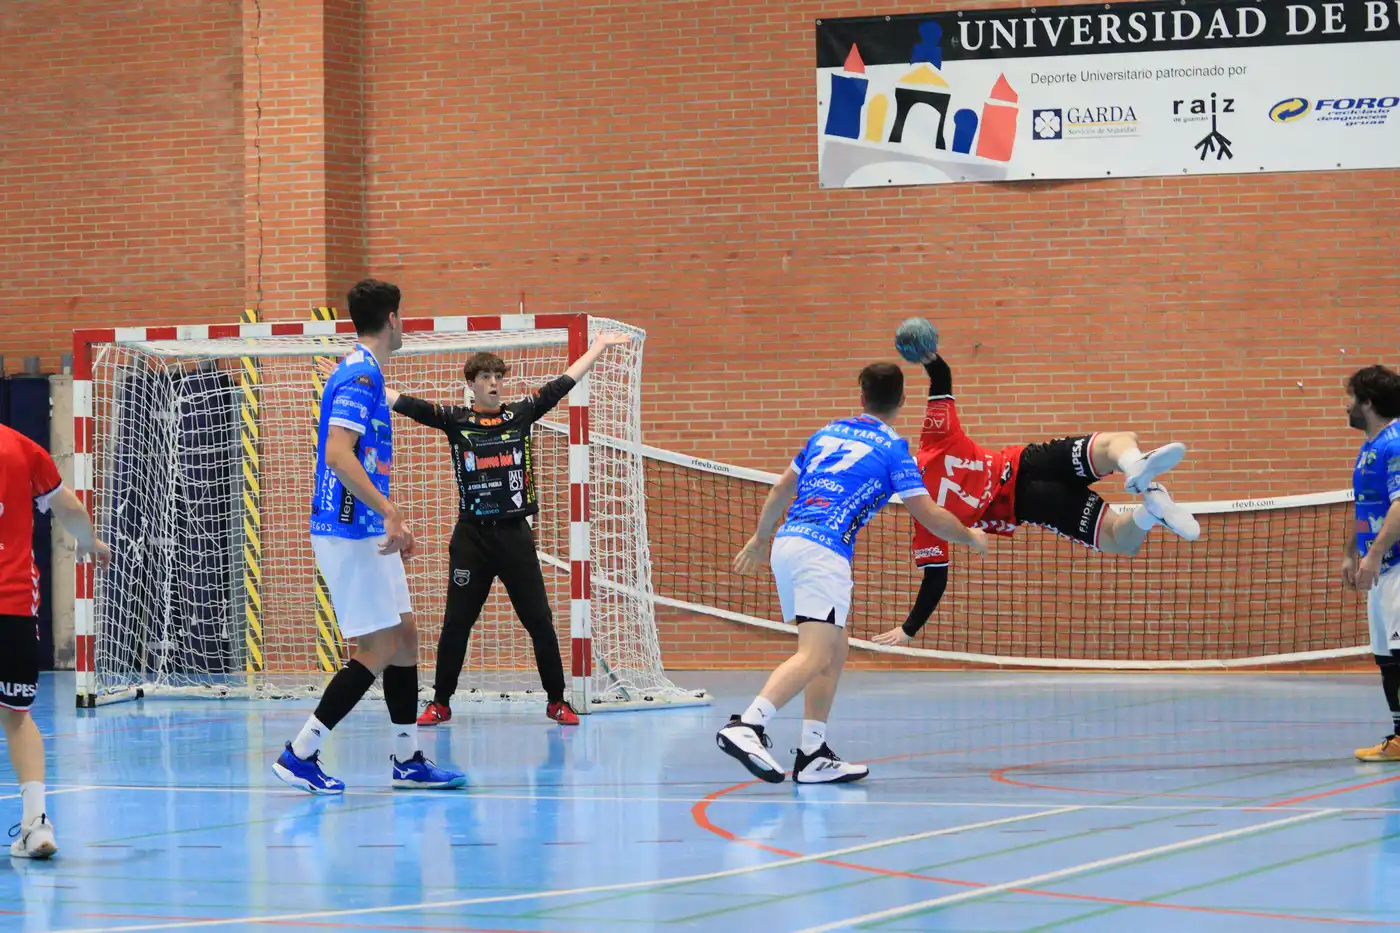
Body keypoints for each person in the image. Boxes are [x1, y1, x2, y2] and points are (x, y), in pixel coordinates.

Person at [718, 363, 989, 784]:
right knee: (815, 654)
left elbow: (781, 489)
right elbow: (930, 515)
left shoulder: (826, 434)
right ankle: (747, 725)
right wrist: (970, 536)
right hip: (823, 552)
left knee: (835, 646)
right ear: (902, 400)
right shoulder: (894, 450)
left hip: (787, 543)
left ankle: (812, 754)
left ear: (861, 397)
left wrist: (759, 539)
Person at [375, 331, 633, 727]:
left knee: (540, 621)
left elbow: (563, 383)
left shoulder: (521, 414)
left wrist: (597, 346)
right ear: (472, 383)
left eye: (498, 376)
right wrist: (360, 378)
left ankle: (556, 701)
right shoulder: (455, 420)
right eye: (486, 377)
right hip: (471, 539)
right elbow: (407, 404)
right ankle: (441, 703)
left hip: (514, 536)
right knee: (456, 624)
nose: (494, 383)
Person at [273, 278, 465, 794]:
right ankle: (300, 753)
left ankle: (407, 760)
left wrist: (387, 521)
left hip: (365, 529)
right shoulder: (360, 375)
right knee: (378, 646)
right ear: (394, 320)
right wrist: (390, 512)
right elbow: (338, 454)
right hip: (346, 531)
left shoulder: (366, 371)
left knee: (405, 635)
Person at [874, 349, 1200, 647]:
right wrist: (926, 354)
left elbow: (936, 579)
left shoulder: (928, 519)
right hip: (1027, 461)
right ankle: (1135, 465)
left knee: (1121, 540)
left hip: (1030, 502)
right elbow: (941, 375)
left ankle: (1149, 512)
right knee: (1119, 441)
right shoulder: (935, 437)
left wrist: (908, 629)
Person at [0, 423, 110, 858]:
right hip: (12, 607)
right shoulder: (21, 448)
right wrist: (89, 543)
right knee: (17, 717)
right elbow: (71, 508)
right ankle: (37, 824)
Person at [1343, 365, 1400, 762]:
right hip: (1382, 569)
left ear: (1367, 402)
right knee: (1386, 656)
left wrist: (1375, 553)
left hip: (1397, 565)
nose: (1345, 406)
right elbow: (1369, 507)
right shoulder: (1370, 447)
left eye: (1350, 397)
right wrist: (1351, 551)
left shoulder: (1395, 444)